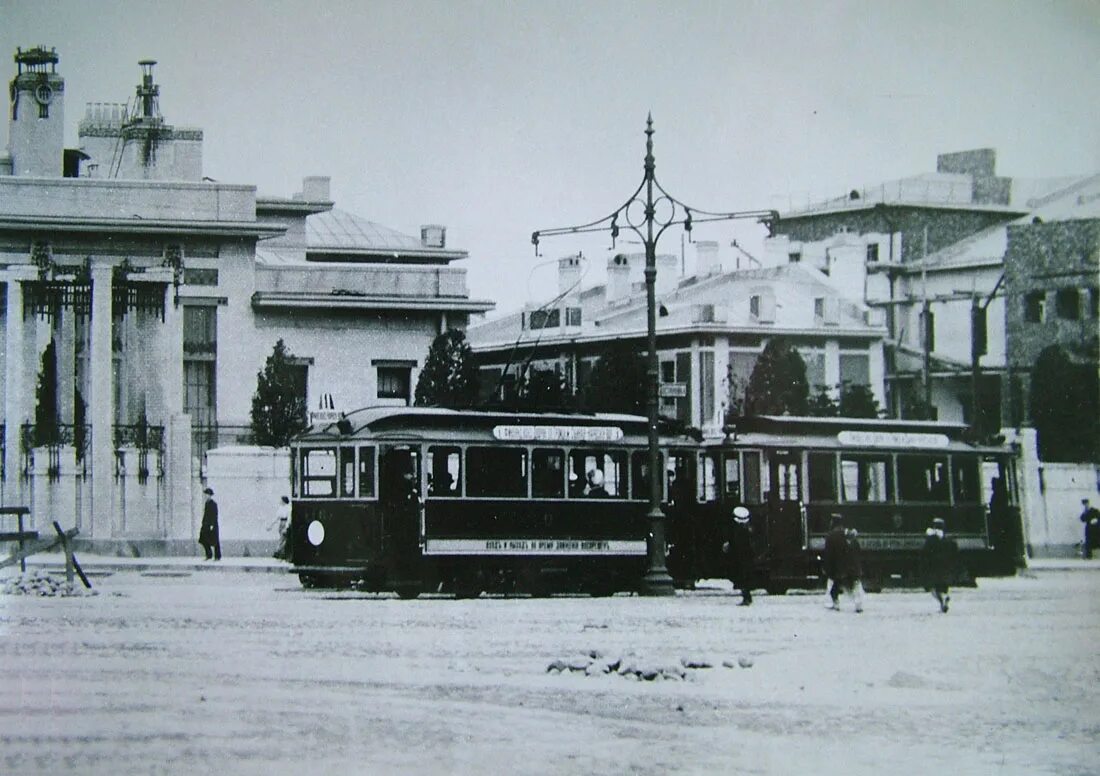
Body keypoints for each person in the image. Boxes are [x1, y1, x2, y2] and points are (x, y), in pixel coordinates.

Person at [921, 516, 959, 613]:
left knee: (933, 588)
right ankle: (945, 600)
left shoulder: (931, 538)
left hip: (934, 566)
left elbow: (925, 552)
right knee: (943, 587)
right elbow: (954, 552)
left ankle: (942, 601)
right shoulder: (948, 539)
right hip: (946, 567)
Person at [722, 506, 755, 606]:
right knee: (744, 577)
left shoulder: (738, 530)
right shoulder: (748, 529)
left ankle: (746, 597)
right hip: (747, 557)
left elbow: (734, 543)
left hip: (740, 558)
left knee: (742, 577)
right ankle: (747, 597)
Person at [821, 514, 847, 611]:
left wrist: (826, 566)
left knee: (832, 585)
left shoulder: (830, 535)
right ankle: (835, 602)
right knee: (835, 584)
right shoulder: (843, 534)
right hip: (841, 563)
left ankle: (835, 603)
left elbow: (828, 553)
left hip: (833, 564)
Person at [198, 487, 221, 561]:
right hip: (205, 525)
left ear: (210, 495)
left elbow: (214, 515)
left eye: (207, 494)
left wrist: (212, 525)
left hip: (212, 525)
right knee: (203, 539)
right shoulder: (207, 503)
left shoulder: (213, 504)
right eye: (205, 494)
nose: (206, 496)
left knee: (215, 541)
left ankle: (217, 556)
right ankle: (209, 554)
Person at [269, 495, 291, 561]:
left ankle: (280, 552)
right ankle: (281, 553)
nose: (280, 501)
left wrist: (287, 526)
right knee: (282, 538)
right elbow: (276, 518)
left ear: (284, 501)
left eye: (281, 500)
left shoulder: (288, 508)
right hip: (281, 523)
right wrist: (271, 525)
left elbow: (289, 518)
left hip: (285, 522)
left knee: (283, 539)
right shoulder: (281, 508)